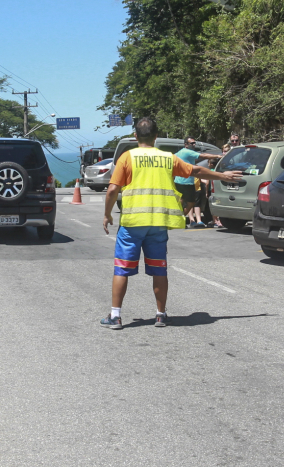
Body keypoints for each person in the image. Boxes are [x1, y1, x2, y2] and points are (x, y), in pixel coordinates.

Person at [100, 117, 242, 329]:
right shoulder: (168, 158)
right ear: (156, 136)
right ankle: (160, 314)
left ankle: (116, 316)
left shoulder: (127, 157)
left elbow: (112, 190)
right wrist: (223, 175)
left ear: (136, 136)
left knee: (122, 269)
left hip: (132, 223)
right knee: (159, 269)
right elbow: (195, 171)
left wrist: (107, 214)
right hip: (158, 224)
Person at [176, 137, 221, 228]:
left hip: (178, 181)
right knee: (191, 202)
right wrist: (217, 156)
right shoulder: (187, 152)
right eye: (191, 143)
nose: (194, 145)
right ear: (186, 145)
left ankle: (178, 218)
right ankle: (179, 218)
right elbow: (203, 155)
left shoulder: (179, 153)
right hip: (187, 182)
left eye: (194, 143)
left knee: (181, 201)